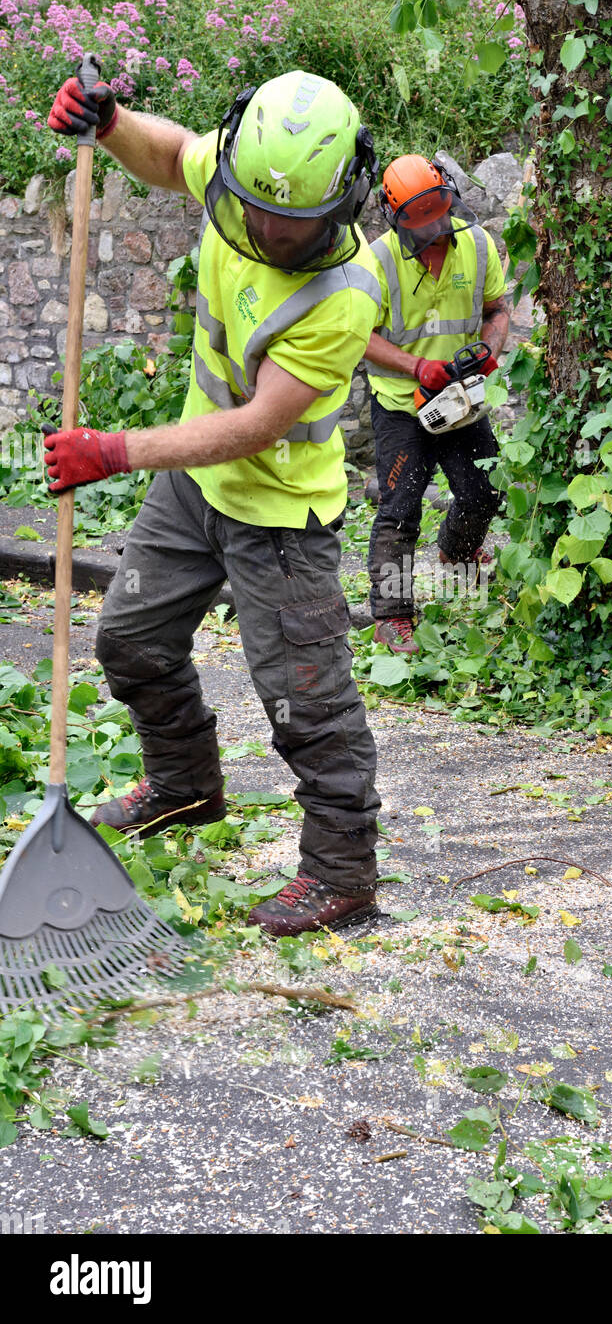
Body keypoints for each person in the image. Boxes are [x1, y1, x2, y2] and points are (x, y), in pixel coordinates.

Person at [45, 64, 383, 937]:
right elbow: (170, 156)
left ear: (340, 201)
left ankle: (342, 875)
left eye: (293, 219)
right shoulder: (236, 180)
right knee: (130, 640)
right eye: (254, 206)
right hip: (192, 489)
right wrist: (110, 120)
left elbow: (255, 427)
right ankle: (185, 786)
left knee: (302, 699)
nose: (267, 229)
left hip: (278, 517)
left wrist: (113, 452)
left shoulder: (343, 296)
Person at [364, 155, 510, 653]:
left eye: (438, 215)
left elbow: (497, 310)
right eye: (419, 222)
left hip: (459, 398)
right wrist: (413, 366)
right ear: (396, 216)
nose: (433, 230)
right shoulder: (376, 262)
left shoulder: (478, 247)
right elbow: (356, 335)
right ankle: (391, 614)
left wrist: (490, 348)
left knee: (484, 491)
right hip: (401, 403)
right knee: (400, 508)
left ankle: (458, 551)